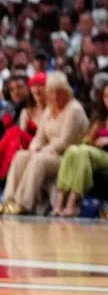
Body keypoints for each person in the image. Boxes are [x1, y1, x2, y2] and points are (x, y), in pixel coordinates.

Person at [0, 72, 88, 215]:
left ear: (66, 91)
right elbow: (39, 137)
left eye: (59, 93)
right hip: (49, 152)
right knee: (21, 155)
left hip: (67, 156)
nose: (55, 97)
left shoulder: (74, 110)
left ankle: (22, 203)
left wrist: (42, 150)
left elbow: (65, 142)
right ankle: (8, 200)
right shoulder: (49, 109)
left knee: (38, 160)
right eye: (52, 93)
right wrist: (34, 146)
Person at [53, 83, 108, 218]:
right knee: (72, 150)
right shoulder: (100, 119)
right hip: (96, 154)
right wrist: (91, 136)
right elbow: (86, 143)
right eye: (106, 96)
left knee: (83, 152)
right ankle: (59, 203)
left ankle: (73, 203)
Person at [0, 72, 45, 182]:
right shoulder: (10, 109)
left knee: (14, 132)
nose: (16, 92)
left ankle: (2, 178)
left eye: (20, 87)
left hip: (36, 145)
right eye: (11, 89)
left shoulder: (40, 105)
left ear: (29, 88)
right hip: (15, 145)